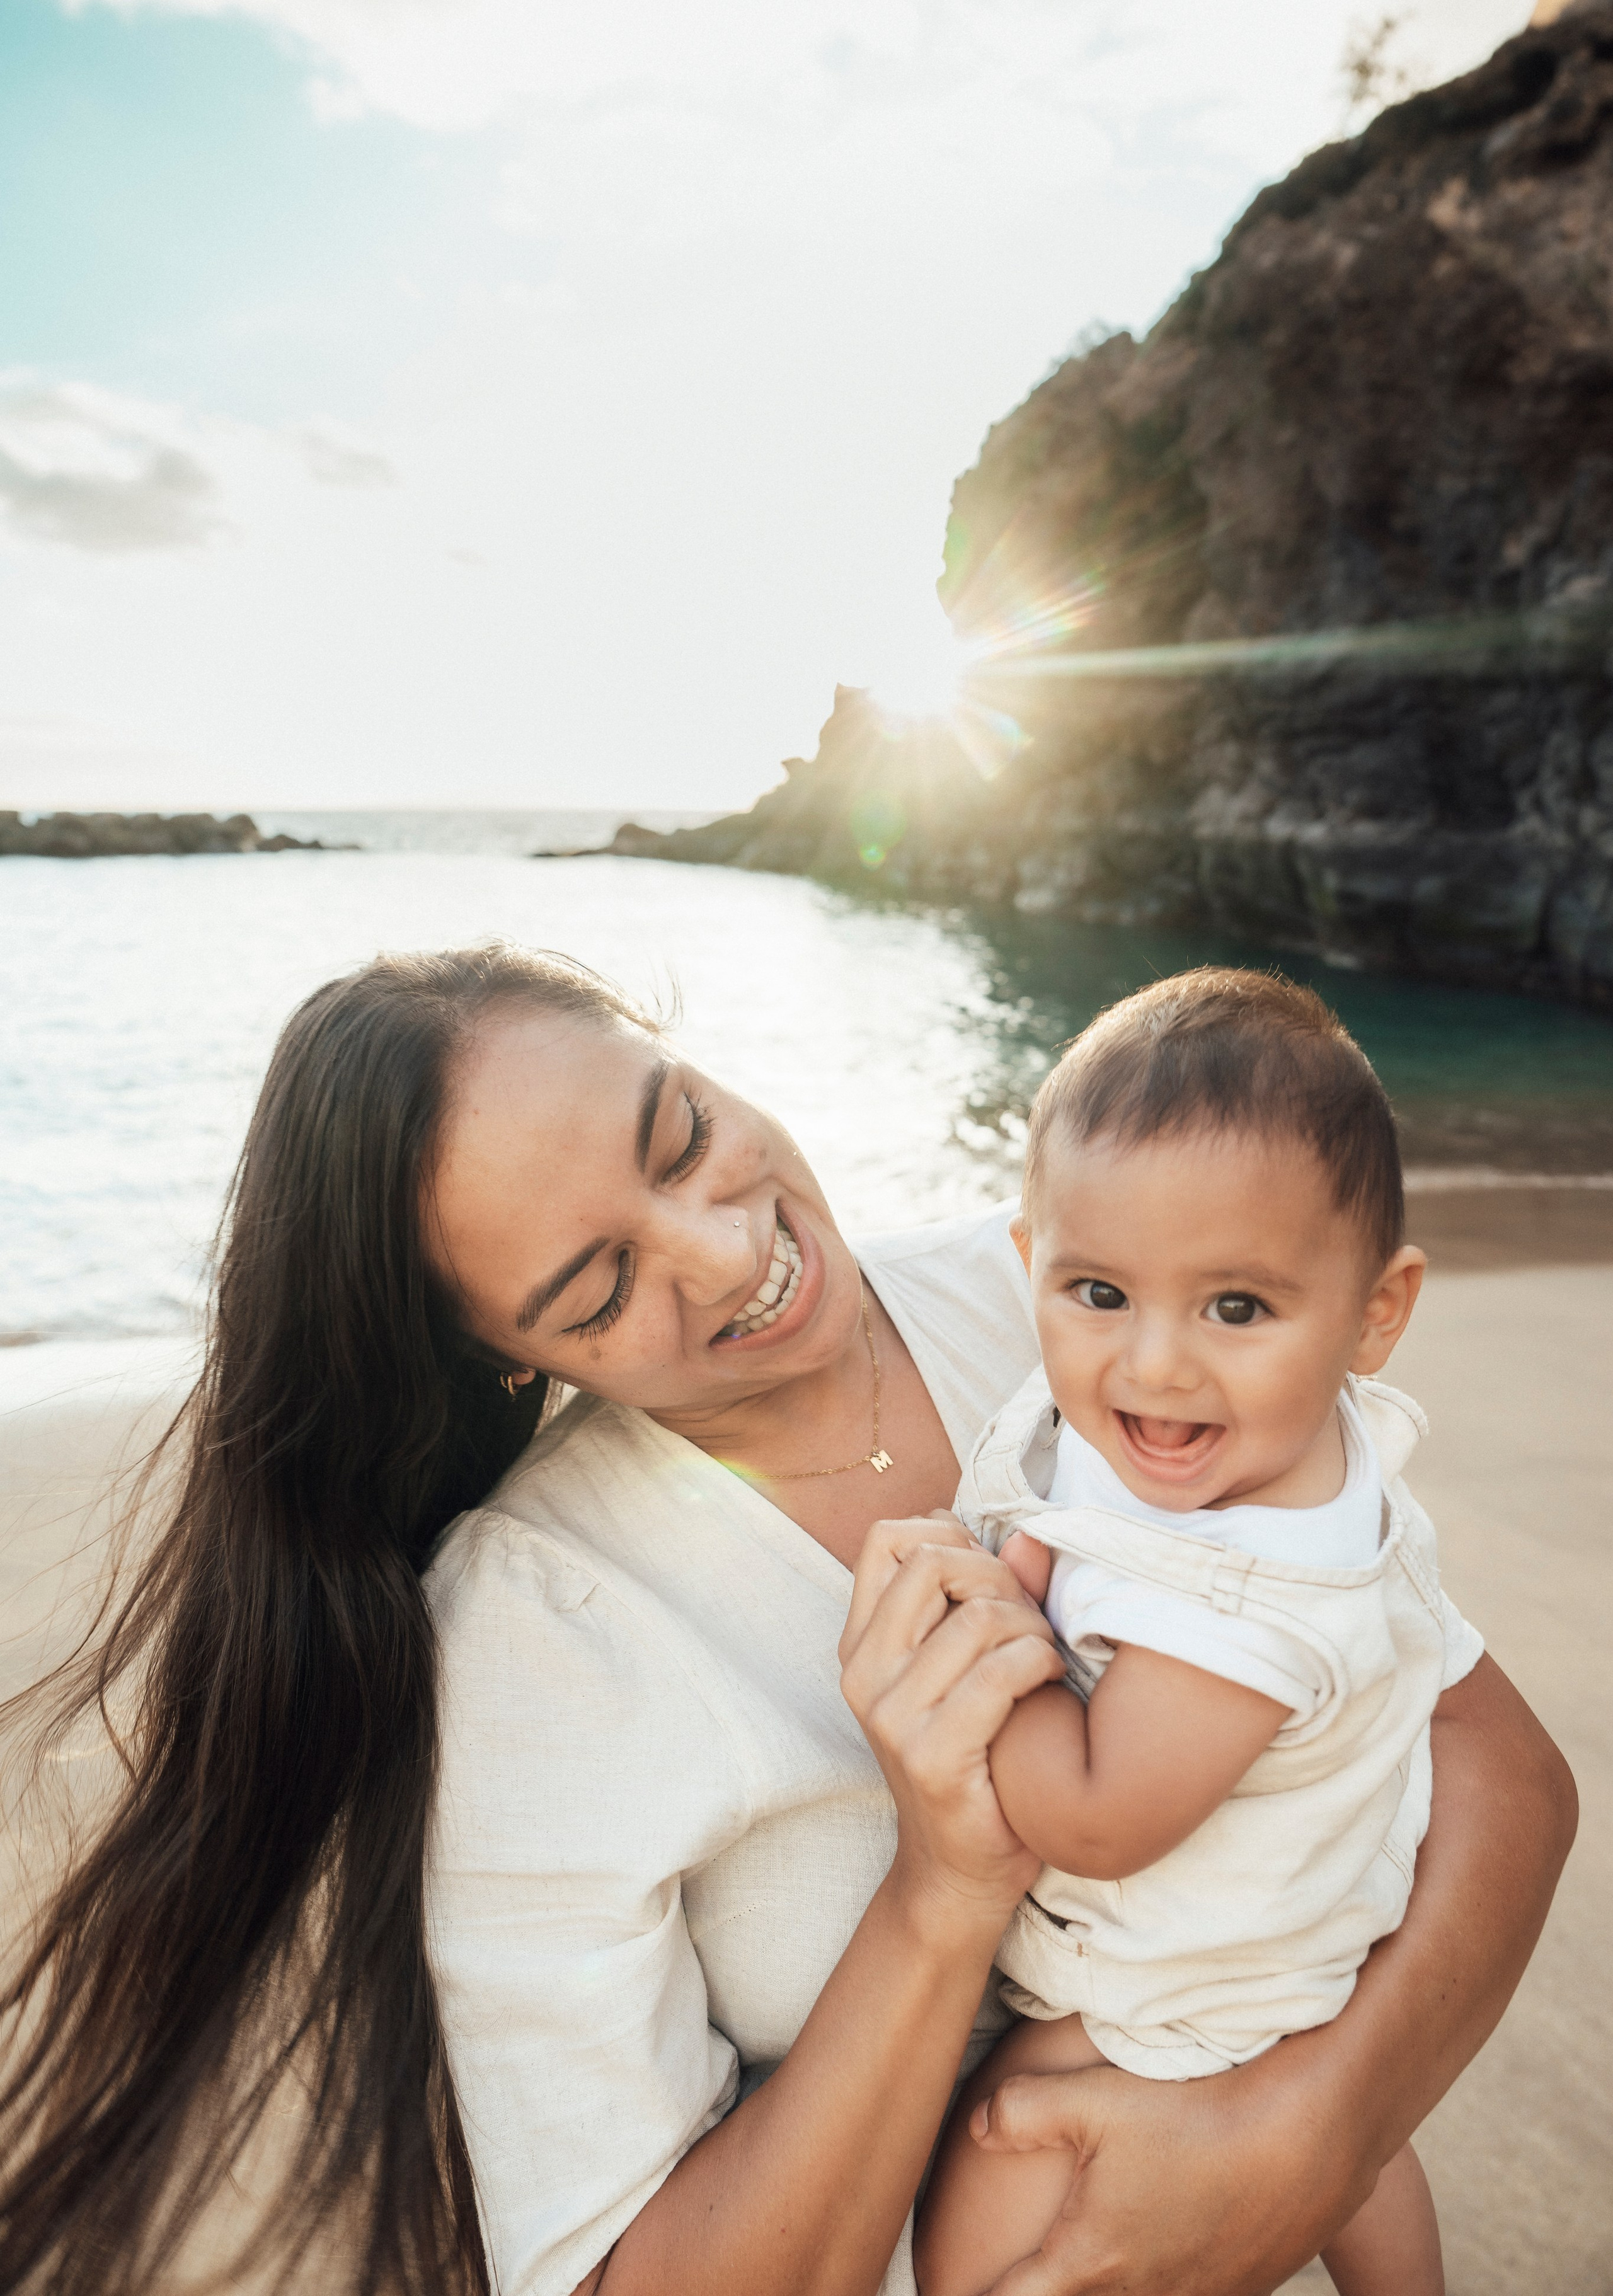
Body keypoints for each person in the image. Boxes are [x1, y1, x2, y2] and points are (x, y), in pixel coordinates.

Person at [0, 944, 1575, 2296]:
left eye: (680, 1133)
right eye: (597, 1289)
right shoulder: (537, 1633)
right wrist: (943, 1889)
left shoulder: (1084, 1300)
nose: (727, 1249)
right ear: (498, 1360)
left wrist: (1310, 2139)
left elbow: (1496, 1765)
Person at [915, 973, 1456, 2296]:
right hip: (1299, 1933)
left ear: (1375, 1313)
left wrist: (1001, 1636)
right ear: (1023, 1259)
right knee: (1367, 2158)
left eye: (1233, 1309)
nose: (1153, 1366)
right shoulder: (1252, 1444)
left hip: (1180, 1995)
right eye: (1095, 1292)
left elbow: (1096, 1821)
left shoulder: (1247, 1593)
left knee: (987, 2196)